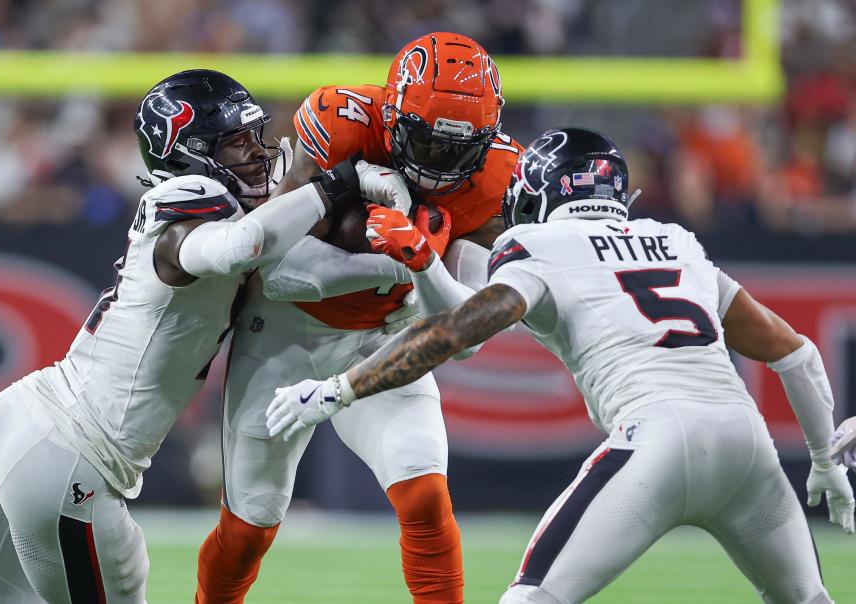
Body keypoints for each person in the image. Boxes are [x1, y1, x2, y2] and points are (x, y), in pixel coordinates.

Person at [267, 127, 856, 604]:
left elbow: (454, 331)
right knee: (808, 600)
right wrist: (825, 461)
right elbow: (795, 352)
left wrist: (339, 389)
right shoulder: (673, 240)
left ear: (539, 195)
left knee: (532, 598)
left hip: (654, 440)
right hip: (745, 442)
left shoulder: (540, 247)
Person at [0, 69, 408, 604]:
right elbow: (237, 247)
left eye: (254, 137)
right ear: (190, 153)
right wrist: (332, 185)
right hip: (71, 455)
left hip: (23, 421)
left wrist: (409, 266)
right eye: (238, 143)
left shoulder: (224, 208)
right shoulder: (192, 196)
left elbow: (302, 270)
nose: (259, 154)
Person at [196, 32, 522, 604]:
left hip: (385, 337)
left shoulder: (500, 177)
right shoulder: (342, 121)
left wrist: (420, 260)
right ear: (393, 118)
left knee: (424, 495)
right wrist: (397, 264)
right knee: (251, 525)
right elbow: (275, 270)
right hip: (287, 328)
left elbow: (464, 334)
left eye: (457, 151)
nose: (437, 167)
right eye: (426, 143)